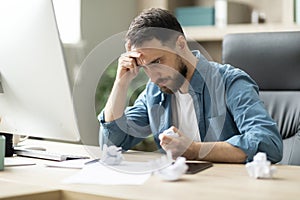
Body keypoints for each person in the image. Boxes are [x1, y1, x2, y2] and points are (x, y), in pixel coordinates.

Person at [98, 8, 283, 163]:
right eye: (145, 68)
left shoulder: (230, 82)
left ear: (180, 44)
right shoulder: (154, 92)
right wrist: (121, 83)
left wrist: (194, 150)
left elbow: (268, 143)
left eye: (157, 62)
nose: (153, 78)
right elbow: (111, 144)